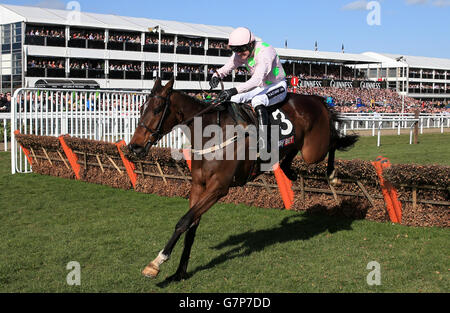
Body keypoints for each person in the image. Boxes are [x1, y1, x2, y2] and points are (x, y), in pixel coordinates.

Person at [209, 27, 287, 152]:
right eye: (235, 50)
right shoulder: (242, 51)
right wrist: (216, 76)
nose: (239, 53)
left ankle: (263, 142)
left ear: (251, 44)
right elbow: (228, 67)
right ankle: (242, 129)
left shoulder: (265, 52)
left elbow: (256, 79)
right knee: (233, 99)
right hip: (261, 86)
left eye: (240, 49)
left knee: (258, 100)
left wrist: (233, 89)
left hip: (277, 85)